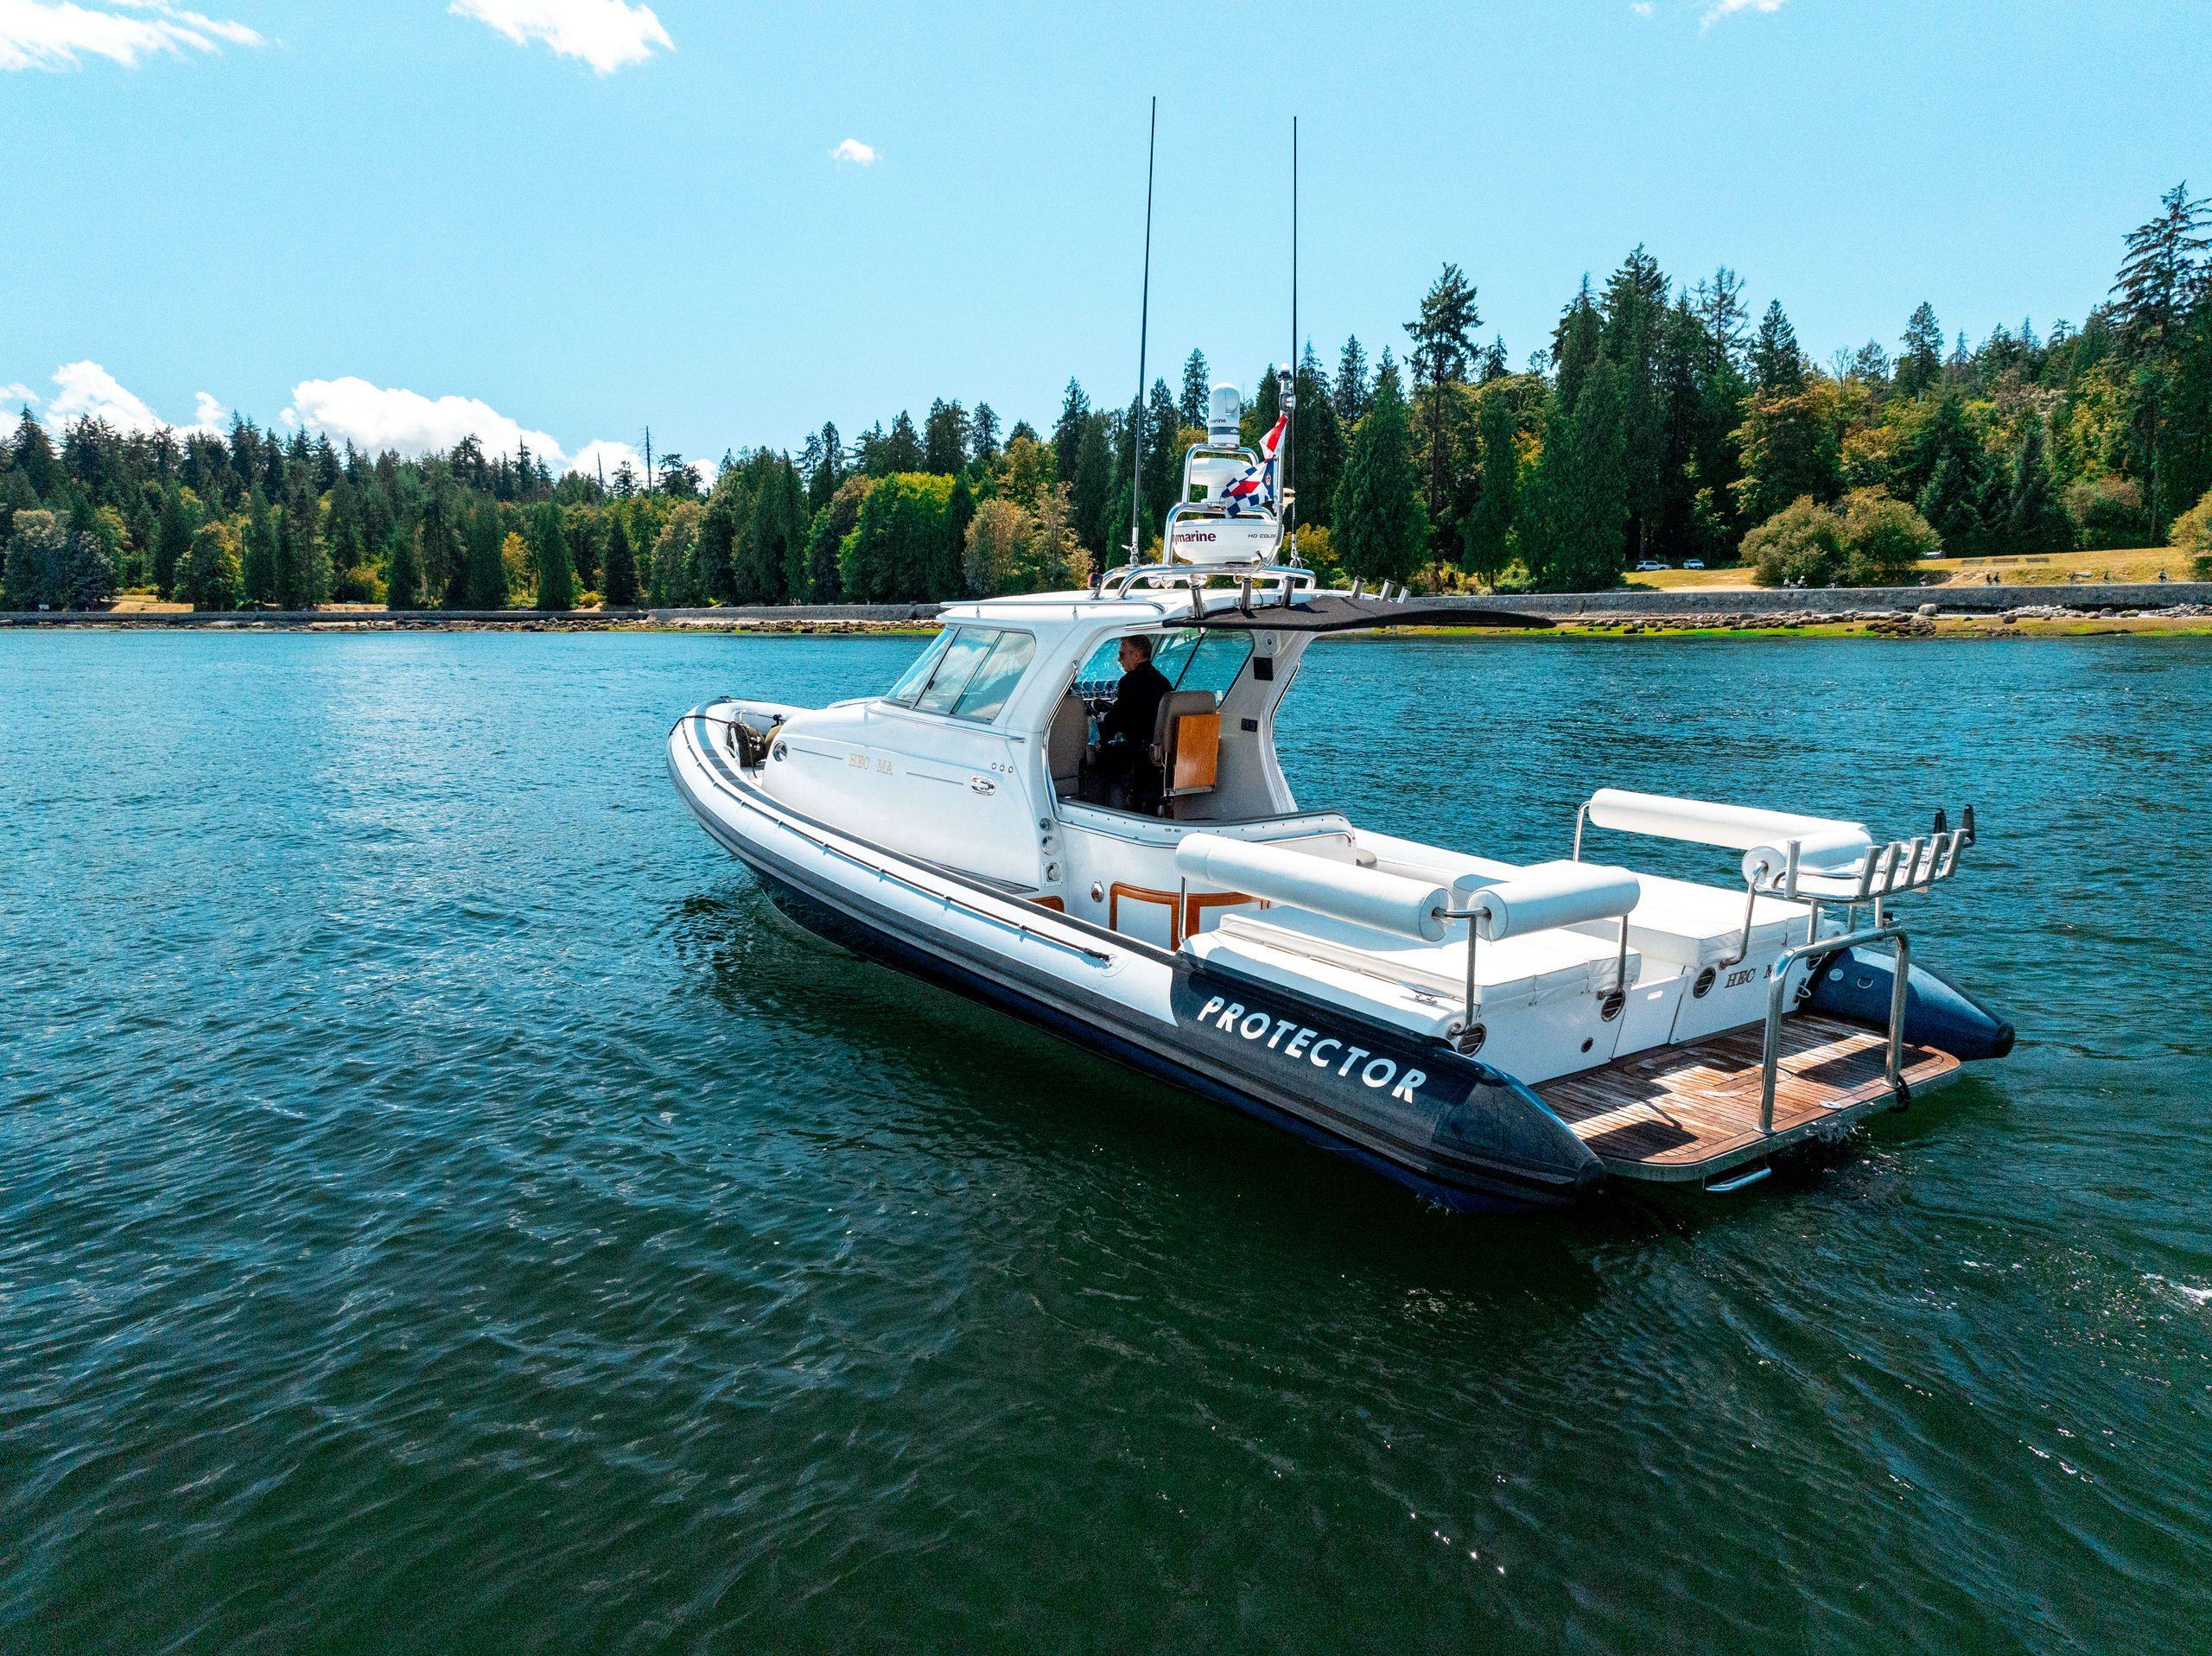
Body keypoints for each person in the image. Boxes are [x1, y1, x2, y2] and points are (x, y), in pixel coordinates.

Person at [1093, 633, 1172, 812]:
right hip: (1159, 754)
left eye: (1122, 655)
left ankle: (1113, 812)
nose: (1119, 660)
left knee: (1102, 764)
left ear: (1136, 655)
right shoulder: (1163, 681)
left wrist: (1102, 734)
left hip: (1138, 755)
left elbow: (1119, 719)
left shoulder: (1130, 682)